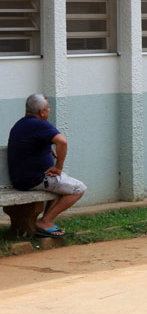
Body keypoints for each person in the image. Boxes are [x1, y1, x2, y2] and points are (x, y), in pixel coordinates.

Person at [6, 94, 86, 237]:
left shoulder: (21, 124)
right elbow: (62, 141)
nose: (49, 111)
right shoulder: (39, 124)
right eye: (48, 108)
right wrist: (59, 167)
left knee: (61, 184)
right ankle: (45, 221)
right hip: (34, 180)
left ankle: (45, 221)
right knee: (78, 189)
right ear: (42, 112)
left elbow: (30, 143)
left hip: (22, 178)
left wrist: (47, 147)